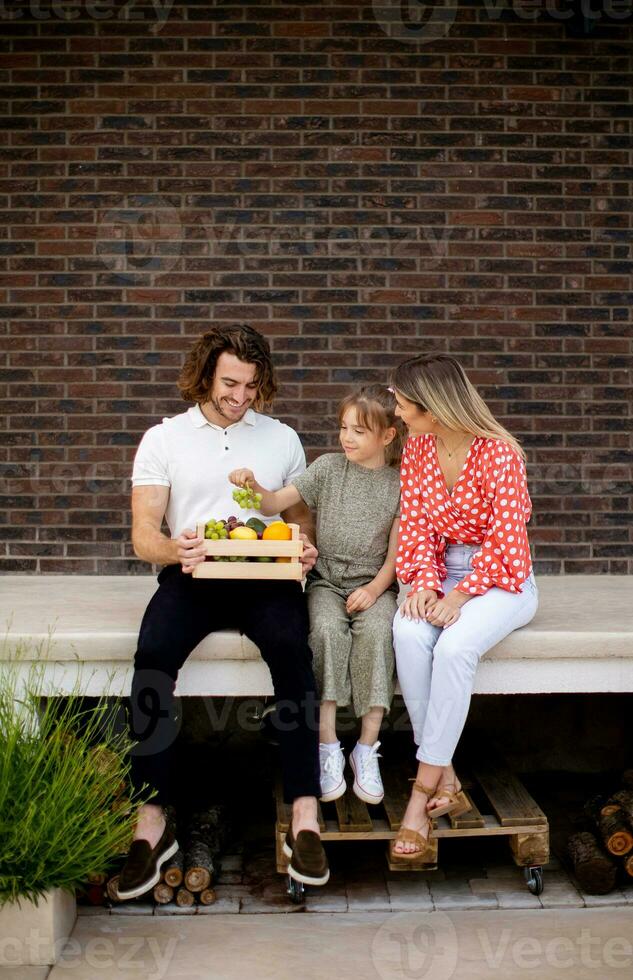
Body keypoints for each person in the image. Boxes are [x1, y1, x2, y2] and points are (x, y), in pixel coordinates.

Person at [117, 325, 329, 900]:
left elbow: (301, 520)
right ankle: (151, 822)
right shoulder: (164, 439)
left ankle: (305, 815)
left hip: (267, 577)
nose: (240, 397)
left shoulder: (282, 438)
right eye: (230, 383)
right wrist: (173, 550)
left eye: (251, 386)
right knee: (153, 655)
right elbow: (143, 534)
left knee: (292, 652)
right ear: (205, 374)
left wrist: (303, 548)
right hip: (192, 573)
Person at [389, 353, 539, 863]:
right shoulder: (419, 447)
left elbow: (507, 542)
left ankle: (419, 795)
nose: (398, 413)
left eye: (404, 404)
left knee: (453, 648)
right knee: (409, 632)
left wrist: (460, 594)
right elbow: (415, 524)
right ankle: (447, 777)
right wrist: (426, 585)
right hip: (440, 572)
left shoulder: (500, 453)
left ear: (434, 407)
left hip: (502, 578)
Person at [229, 385, 403, 807]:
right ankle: (327, 747)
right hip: (325, 581)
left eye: (359, 431)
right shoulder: (327, 468)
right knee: (324, 631)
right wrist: (251, 485)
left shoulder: (402, 484)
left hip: (375, 584)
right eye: (344, 428)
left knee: (378, 635)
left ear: (387, 436)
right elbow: (272, 504)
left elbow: (397, 553)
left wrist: (375, 589)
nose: (347, 437)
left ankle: (366, 748)